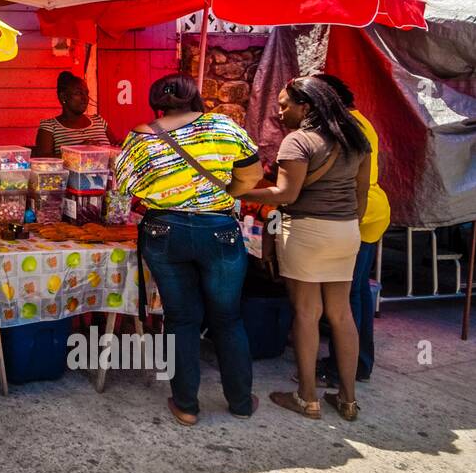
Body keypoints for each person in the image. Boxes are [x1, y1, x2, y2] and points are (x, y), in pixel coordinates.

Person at [114, 74, 263, 425]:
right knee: (227, 318)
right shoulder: (224, 127)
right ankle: (240, 402)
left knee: (180, 319)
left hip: (165, 231)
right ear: (195, 97)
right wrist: (225, 190)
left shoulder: (140, 136)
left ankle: (186, 406)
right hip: (219, 230)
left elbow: (124, 186)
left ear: (157, 103)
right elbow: (251, 175)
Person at [242, 77, 372, 422]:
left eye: (285, 105)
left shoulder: (298, 141)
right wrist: (346, 225)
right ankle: (348, 400)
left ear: (307, 107)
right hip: (346, 232)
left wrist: (240, 192)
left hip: (306, 232)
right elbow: (361, 194)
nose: (279, 111)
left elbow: (285, 194)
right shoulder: (355, 137)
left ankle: (308, 398)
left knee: (306, 313)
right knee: (342, 315)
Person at [312, 73, 388, 385]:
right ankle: (358, 362)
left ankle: (349, 365)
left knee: (348, 296)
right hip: (366, 213)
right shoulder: (357, 121)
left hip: (356, 214)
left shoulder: (345, 126)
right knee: (356, 291)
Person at [33, 71, 111, 157]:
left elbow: (115, 148)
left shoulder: (99, 121)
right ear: (63, 97)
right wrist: (78, 150)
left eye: (86, 93)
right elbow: (42, 160)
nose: (85, 98)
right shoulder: (50, 126)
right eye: (78, 93)